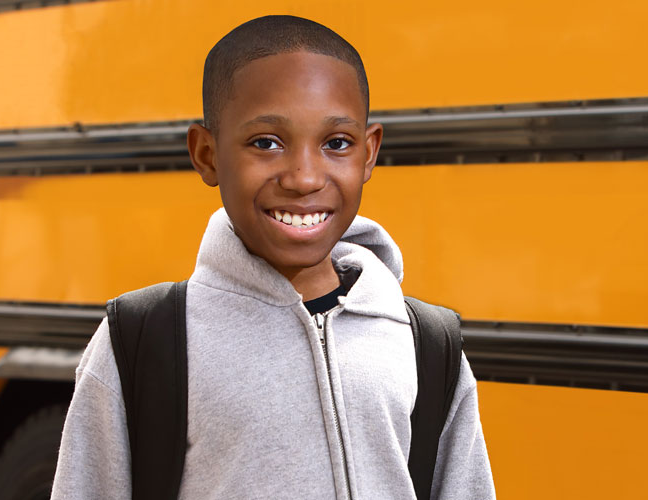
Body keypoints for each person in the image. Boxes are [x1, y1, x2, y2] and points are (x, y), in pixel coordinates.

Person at [51, 15, 496, 499]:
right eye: (266, 143)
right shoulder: (144, 340)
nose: (304, 177)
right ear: (207, 154)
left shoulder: (425, 345)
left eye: (336, 144)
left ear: (369, 154)